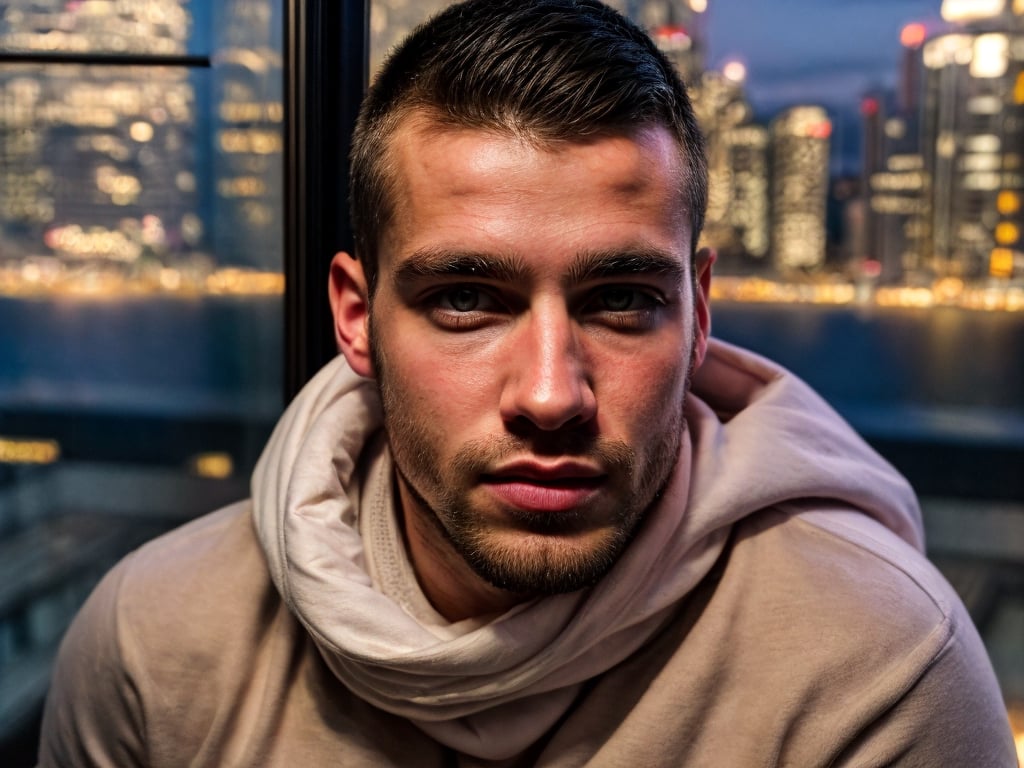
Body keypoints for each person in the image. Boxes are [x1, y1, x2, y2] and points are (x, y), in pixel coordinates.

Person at [39, 0, 1017, 765]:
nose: (551, 395)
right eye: (466, 298)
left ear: (700, 311)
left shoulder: (875, 661)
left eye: (622, 299)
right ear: (354, 315)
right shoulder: (151, 643)